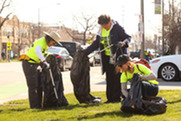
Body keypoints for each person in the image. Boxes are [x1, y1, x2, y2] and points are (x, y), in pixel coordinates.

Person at [85, 14, 131, 103]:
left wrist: (123, 43)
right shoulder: (101, 31)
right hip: (107, 58)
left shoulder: (117, 28)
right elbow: (96, 44)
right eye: (102, 26)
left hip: (118, 57)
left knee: (117, 78)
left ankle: (116, 98)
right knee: (109, 78)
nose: (104, 27)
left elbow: (127, 38)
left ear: (109, 22)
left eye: (105, 25)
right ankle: (110, 98)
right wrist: (85, 52)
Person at [22, 31, 61, 108]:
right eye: (54, 43)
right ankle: (34, 106)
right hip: (29, 63)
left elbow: (44, 53)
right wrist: (44, 62)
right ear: (50, 40)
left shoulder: (45, 45)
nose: (53, 45)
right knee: (33, 86)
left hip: (35, 64)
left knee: (39, 85)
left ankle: (39, 105)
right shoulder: (41, 42)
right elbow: (37, 51)